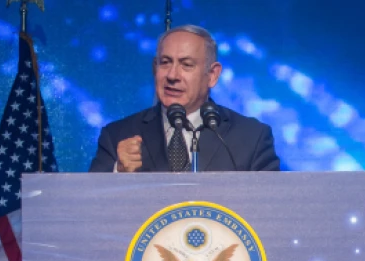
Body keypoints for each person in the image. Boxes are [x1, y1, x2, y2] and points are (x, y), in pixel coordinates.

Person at [89, 25, 280, 172]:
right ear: (155, 68)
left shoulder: (251, 137)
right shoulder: (117, 135)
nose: (172, 75)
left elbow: (271, 208)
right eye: (165, 63)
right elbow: (90, 209)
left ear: (212, 75)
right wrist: (118, 172)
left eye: (186, 65)